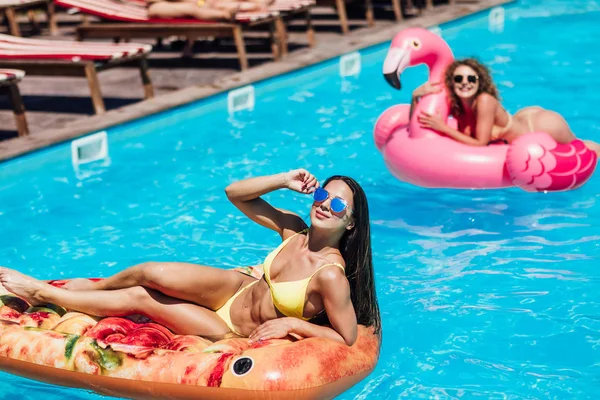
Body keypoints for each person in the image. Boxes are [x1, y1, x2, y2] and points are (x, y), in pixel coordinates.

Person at [0, 169, 381, 346]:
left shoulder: (330, 275)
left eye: (337, 205)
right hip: (231, 289)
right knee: (151, 271)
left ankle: (41, 294)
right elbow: (236, 194)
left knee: (141, 299)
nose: (325, 206)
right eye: (321, 196)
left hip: (228, 326)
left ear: (351, 223)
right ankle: (95, 289)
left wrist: (292, 327)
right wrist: (284, 180)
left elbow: (347, 336)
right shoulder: (294, 229)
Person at [414, 58, 600, 156]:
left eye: (471, 79)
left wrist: (443, 127)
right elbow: (416, 127)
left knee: (582, 149)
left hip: (541, 126)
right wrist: (415, 96)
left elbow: (481, 143)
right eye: (458, 79)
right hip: (520, 121)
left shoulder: (485, 101)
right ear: (451, 82)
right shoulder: (457, 106)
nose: (465, 83)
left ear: (480, 82)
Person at [146, 0, 273, 21]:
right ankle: (225, 14)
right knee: (192, 8)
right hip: (156, 7)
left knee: (204, 4)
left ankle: (228, 9)